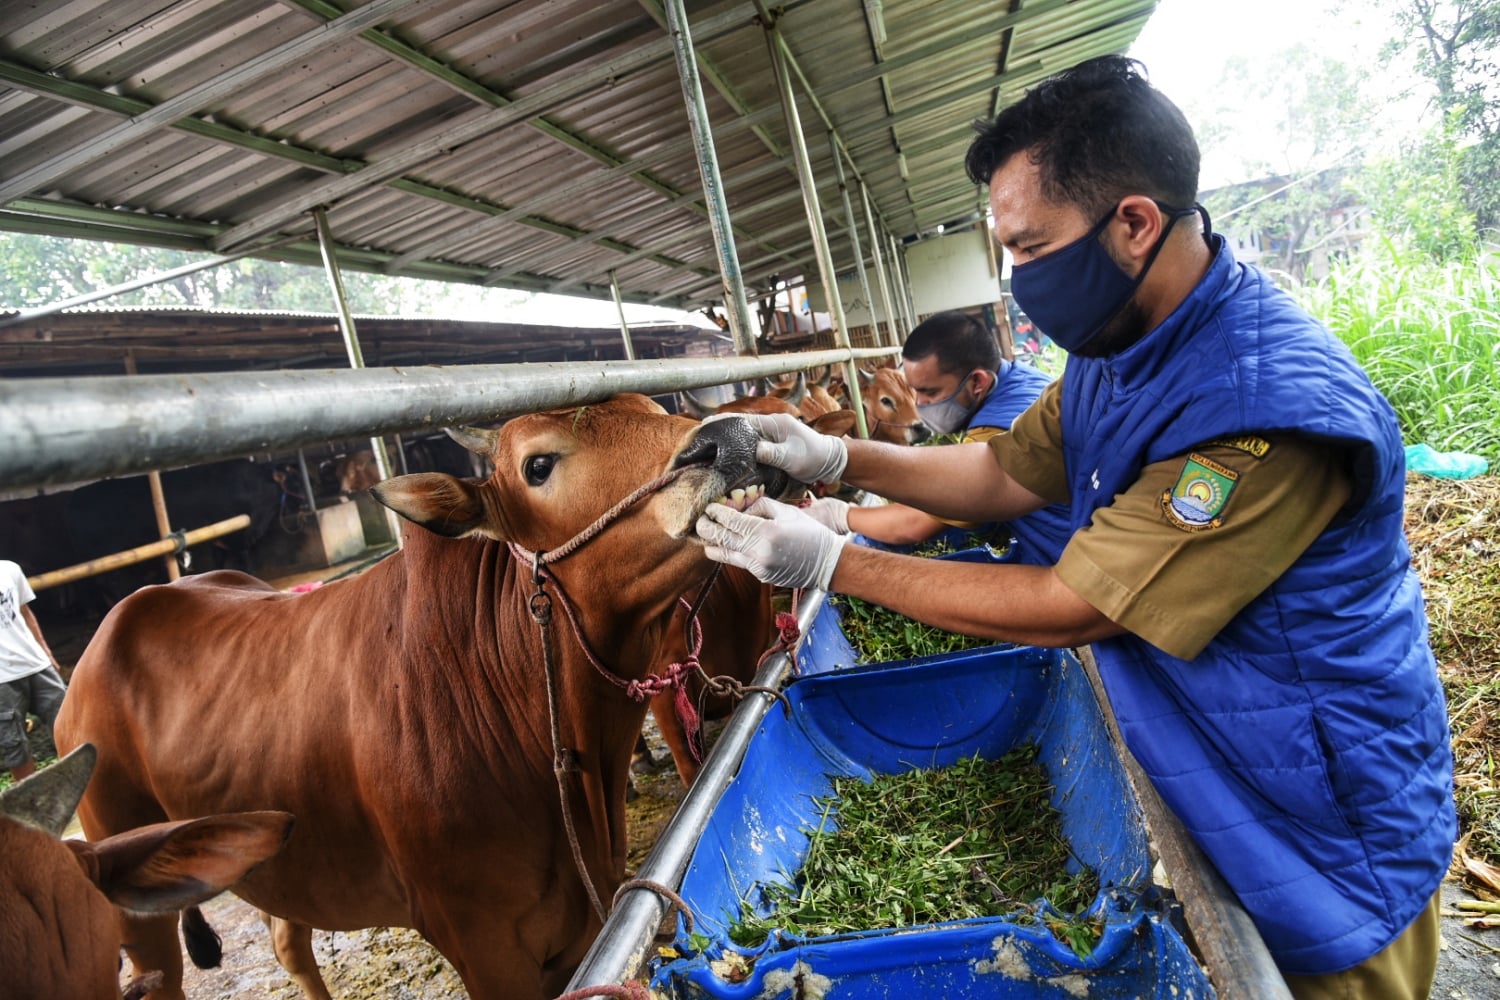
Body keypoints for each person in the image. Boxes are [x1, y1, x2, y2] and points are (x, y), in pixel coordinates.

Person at [695, 55, 1454, 1000]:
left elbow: (1074, 602)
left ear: (1134, 223)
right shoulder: (1118, 347)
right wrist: (838, 458)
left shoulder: (1264, 413)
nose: (1017, 279)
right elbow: (1002, 468)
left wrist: (832, 557)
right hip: (1217, 767)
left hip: (1314, 823)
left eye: (1029, 247)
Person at [806, 309, 1072, 566]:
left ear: (977, 382)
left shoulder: (998, 430)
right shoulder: (1020, 379)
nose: (920, 405)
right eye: (915, 392)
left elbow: (913, 524)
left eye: (930, 393)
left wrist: (841, 514)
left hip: (1064, 559)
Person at [1, 559, 67, 784]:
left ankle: (86, 786)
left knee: (68, 720)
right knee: (14, 743)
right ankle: (32, 801)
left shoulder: (9, 569)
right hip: (2, 679)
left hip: (36, 664)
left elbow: (26, 613)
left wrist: (46, 652)